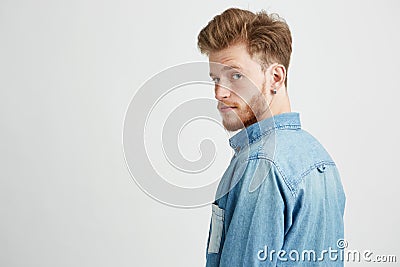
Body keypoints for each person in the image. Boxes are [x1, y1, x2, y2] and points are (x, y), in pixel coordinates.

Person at [197, 8, 346, 266]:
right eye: (216, 79)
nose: (219, 92)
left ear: (275, 77)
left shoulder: (260, 164)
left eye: (235, 76)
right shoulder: (320, 157)